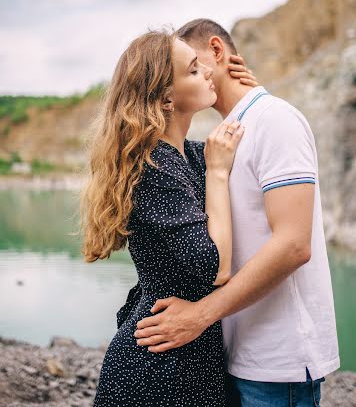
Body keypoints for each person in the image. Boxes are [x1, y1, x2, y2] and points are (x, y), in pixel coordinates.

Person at [134, 19, 340, 407]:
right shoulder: (222, 138)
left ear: (216, 51)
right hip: (232, 352)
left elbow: (294, 245)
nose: (193, 76)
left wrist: (200, 316)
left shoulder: (275, 120)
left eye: (196, 65)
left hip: (277, 362)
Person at [79, 28, 258, 406]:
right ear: (165, 97)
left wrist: (250, 99)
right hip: (158, 368)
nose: (209, 72)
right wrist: (219, 175)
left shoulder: (190, 156)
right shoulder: (155, 169)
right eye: (194, 70)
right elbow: (216, 268)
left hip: (187, 356)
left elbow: (238, 140)